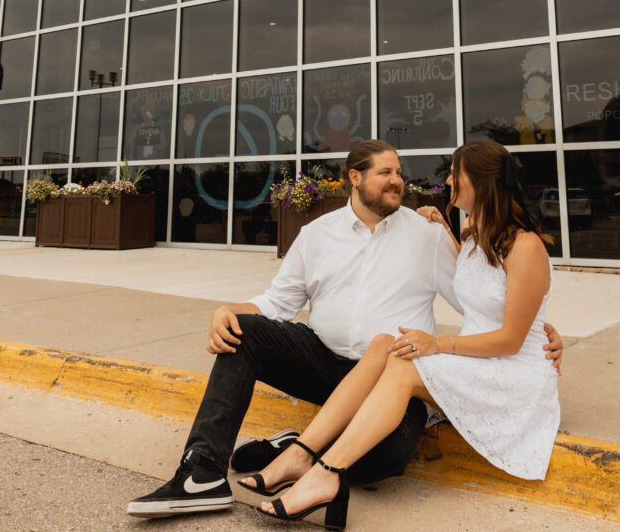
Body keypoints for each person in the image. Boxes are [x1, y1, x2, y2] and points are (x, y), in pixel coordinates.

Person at [127, 139, 562, 518]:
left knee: (385, 460)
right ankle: (201, 473)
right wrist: (228, 309)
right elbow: (278, 303)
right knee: (243, 330)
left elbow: (487, 298)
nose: (399, 181)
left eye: (400, 173)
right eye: (386, 173)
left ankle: (301, 448)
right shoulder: (316, 234)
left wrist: (541, 330)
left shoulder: (428, 234)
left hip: (392, 377)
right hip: (325, 362)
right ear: (354, 177)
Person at [256, 140, 561, 529]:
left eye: (455, 173)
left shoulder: (525, 245)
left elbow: (512, 340)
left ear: (481, 182)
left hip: (511, 372)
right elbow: (479, 287)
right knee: (387, 341)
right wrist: (442, 228)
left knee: (402, 366)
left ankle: (325, 473)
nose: (448, 179)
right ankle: (301, 453)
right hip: (478, 360)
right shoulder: (474, 235)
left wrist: (439, 343)